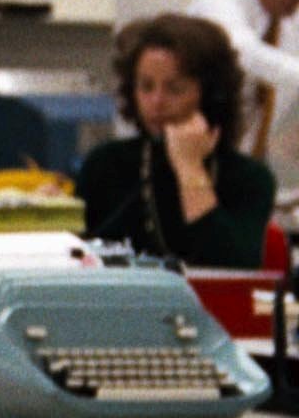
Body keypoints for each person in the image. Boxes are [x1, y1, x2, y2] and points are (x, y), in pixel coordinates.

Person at [79, 14, 275, 268]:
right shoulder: (105, 164)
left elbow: (232, 265)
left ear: (211, 95)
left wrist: (189, 168)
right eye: (146, 87)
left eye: (174, 89)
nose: (157, 101)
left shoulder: (250, 178)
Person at [187, 0, 299, 183]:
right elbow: (247, 55)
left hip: (246, 157)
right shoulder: (219, 4)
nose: (296, 0)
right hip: (194, 148)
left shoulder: (285, 18)